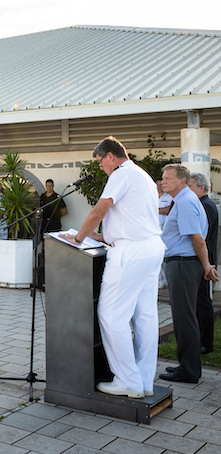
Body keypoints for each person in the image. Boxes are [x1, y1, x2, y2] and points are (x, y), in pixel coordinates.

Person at [62, 137, 167, 398]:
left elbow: (99, 211)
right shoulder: (142, 174)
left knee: (111, 315)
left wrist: (77, 238)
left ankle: (127, 382)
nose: (100, 167)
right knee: (145, 317)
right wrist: (102, 236)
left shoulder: (120, 174)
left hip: (130, 252)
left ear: (110, 156)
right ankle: (143, 381)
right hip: (151, 247)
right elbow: (132, 216)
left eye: (99, 162)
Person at [157, 164, 218, 384]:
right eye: (162, 178)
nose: (163, 181)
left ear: (182, 181)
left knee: (185, 319)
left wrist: (207, 266)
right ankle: (187, 365)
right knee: (185, 318)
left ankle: (189, 371)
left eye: (167, 178)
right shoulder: (184, 200)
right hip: (182, 263)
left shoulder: (184, 202)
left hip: (183, 264)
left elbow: (198, 239)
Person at [189, 172, 217, 354]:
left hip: (203, 259)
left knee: (203, 302)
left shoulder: (205, 205)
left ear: (201, 187)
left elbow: (200, 237)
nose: (188, 189)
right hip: (203, 258)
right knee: (200, 301)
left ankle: (205, 342)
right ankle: (202, 339)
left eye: (190, 186)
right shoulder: (205, 204)